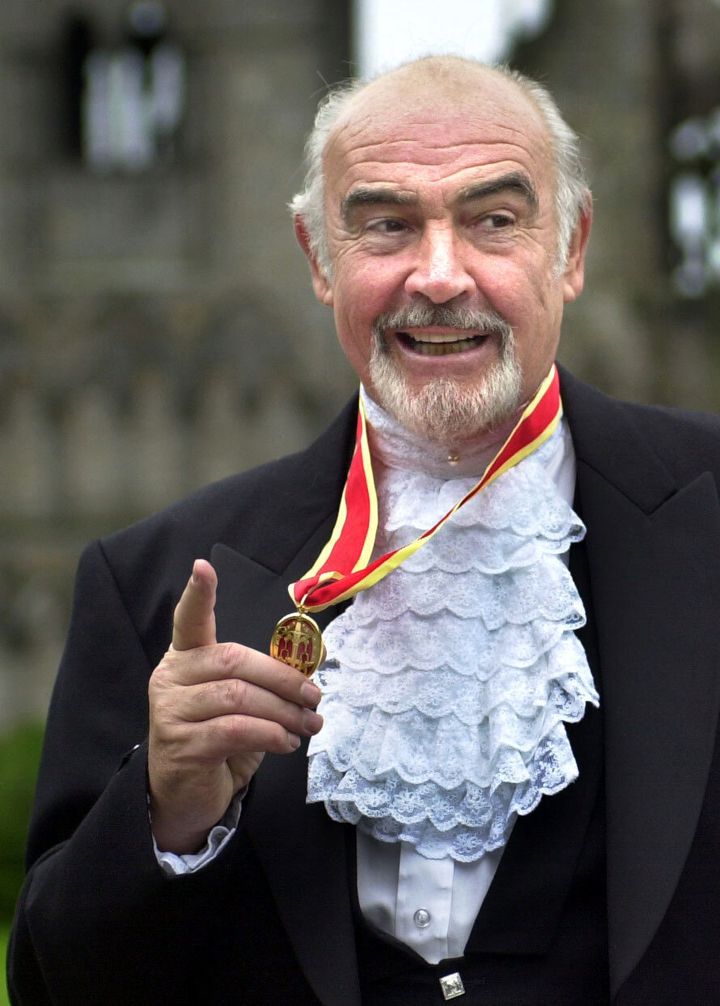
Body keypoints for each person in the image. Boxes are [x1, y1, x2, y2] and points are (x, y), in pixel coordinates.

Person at [8, 55, 720, 1006]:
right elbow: (57, 985)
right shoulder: (147, 579)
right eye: (386, 224)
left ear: (573, 248)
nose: (437, 274)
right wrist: (165, 813)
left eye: (494, 221)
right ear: (318, 259)